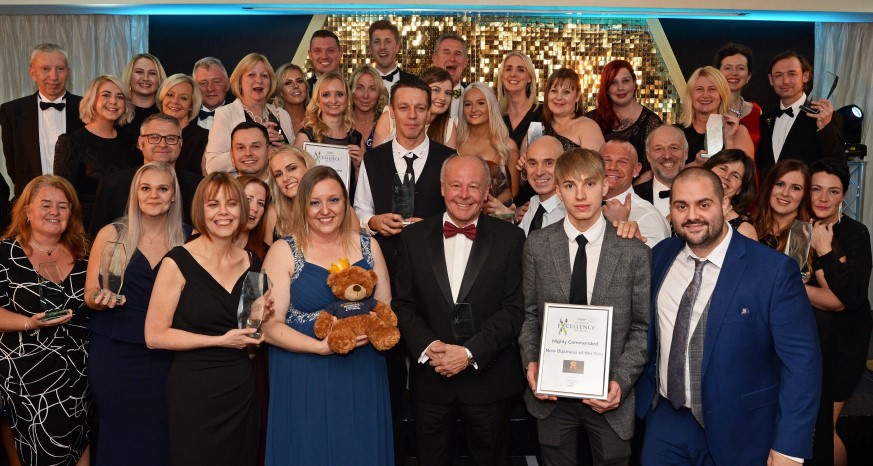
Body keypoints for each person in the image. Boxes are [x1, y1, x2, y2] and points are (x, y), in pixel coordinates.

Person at [636, 167, 821, 465]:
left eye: (703, 204)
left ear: (724, 204)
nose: (692, 215)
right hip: (666, 421)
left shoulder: (772, 271)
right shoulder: (661, 255)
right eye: (681, 206)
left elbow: (802, 364)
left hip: (740, 429)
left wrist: (790, 446)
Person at [519, 148, 650, 466]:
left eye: (589, 184)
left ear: (605, 186)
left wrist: (620, 381)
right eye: (570, 185)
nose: (580, 195)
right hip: (552, 396)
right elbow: (530, 315)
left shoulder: (633, 251)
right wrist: (531, 362)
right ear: (558, 190)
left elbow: (642, 328)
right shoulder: (537, 245)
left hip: (609, 395)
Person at [393, 154, 525, 465]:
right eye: (455, 185)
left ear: (487, 191)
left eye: (473, 186)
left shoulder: (511, 238)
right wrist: (430, 347)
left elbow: (514, 309)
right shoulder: (413, 238)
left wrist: (468, 353)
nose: (464, 195)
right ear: (442, 188)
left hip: (488, 382)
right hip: (431, 379)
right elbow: (402, 303)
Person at [262, 166, 393, 465]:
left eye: (333, 200)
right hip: (303, 372)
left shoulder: (368, 246)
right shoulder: (284, 250)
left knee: (358, 448)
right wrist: (320, 347)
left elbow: (385, 305)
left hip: (362, 369)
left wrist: (371, 326)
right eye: (315, 202)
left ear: (345, 202)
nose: (325, 210)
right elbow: (268, 326)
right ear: (302, 206)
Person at [144, 172, 263, 466]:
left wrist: (258, 318)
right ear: (201, 210)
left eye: (231, 204)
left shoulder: (252, 262)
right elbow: (155, 336)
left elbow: (250, 338)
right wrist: (219, 341)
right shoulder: (176, 261)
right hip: (194, 390)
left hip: (239, 389)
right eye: (213, 204)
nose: (223, 212)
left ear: (242, 210)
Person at [85, 162, 188, 466]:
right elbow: (89, 293)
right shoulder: (111, 234)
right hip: (116, 352)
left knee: (163, 433)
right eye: (146, 188)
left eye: (162, 188)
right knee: (119, 433)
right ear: (135, 194)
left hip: (169, 355)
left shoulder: (190, 237)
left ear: (173, 195)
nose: (153, 195)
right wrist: (99, 300)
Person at [0, 175, 91, 465]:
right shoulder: (4, 254)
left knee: (81, 444)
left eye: (63, 206)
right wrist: (29, 322)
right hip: (28, 378)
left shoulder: (85, 254)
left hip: (80, 373)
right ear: (27, 211)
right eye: (46, 204)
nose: (55, 211)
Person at [807, 159, 873, 466]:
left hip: (846, 343)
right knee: (810, 426)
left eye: (833, 191)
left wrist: (824, 251)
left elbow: (852, 296)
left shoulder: (856, 233)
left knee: (825, 429)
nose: (823, 198)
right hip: (809, 340)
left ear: (844, 194)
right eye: (816, 189)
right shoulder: (798, 228)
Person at [354, 78, 456, 273]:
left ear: (429, 113)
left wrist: (434, 227)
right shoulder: (373, 159)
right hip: (385, 267)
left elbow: (462, 214)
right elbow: (361, 208)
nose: (412, 116)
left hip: (436, 266)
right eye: (403, 108)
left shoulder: (450, 159)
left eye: (420, 108)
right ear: (392, 112)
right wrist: (374, 222)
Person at [89, 113, 202, 236]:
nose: (163, 144)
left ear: (180, 144)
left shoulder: (199, 187)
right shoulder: (112, 185)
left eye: (171, 138)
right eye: (154, 137)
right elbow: (96, 237)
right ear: (141, 142)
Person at [54, 75, 139, 228]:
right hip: (88, 226)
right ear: (92, 100)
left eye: (120, 97)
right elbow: (63, 194)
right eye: (106, 95)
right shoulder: (73, 142)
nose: (113, 101)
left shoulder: (130, 141)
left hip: (127, 225)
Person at [1, 43, 81, 198]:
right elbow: (13, 166)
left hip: (76, 201)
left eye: (60, 69)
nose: (54, 76)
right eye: (45, 69)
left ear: (68, 72)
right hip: (29, 200)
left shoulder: (87, 108)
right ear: (32, 73)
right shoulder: (11, 111)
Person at [757, 51, 844, 178]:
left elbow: (838, 165)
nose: (785, 81)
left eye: (792, 74)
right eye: (778, 75)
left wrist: (825, 127)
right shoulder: (763, 120)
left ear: (805, 76)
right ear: (771, 80)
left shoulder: (825, 117)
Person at [205, 53, 294, 174]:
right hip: (244, 185)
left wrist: (284, 152)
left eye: (264, 76)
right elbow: (212, 166)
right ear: (239, 82)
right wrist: (257, 140)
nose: (259, 80)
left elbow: (293, 157)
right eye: (252, 75)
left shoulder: (282, 114)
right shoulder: (225, 114)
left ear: (270, 82)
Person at [587, 59, 663, 181]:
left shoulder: (651, 122)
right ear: (606, 88)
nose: (620, 88)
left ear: (634, 84)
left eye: (625, 81)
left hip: (638, 190)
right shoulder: (590, 120)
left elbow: (655, 167)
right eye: (613, 83)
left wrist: (631, 190)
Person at [295, 72, 363, 196]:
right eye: (326, 95)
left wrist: (359, 167)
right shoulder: (305, 137)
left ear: (347, 98)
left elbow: (363, 191)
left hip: (348, 205)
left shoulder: (356, 137)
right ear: (317, 99)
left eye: (339, 94)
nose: (333, 100)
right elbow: (297, 182)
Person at [456, 83, 520, 204]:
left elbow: (513, 191)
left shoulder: (507, 146)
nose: (474, 109)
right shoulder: (454, 143)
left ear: (491, 106)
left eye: (480, 103)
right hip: (457, 211)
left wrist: (484, 208)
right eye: (468, 104)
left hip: (493, 213)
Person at [600, 138, 670, 247]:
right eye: (606, 161)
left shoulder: (649, 217)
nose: (612, 167)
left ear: (636, 170)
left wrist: (619, 224)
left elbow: (647, 257)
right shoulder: (579, 207)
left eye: (622, 162)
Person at [678, 66, 754, 164]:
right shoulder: (676, 132)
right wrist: (696, 164)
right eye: (699, 89)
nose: (705, 95)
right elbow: (669, 172)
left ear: (721, 95)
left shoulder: (737, 131)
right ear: (690, 95)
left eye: (712, 89)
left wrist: (729, 141)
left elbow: (744, 171)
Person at [372, 66, 457, 149]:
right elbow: (376, 155)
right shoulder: (390, 116)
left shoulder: (448, 126)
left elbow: (449, 158)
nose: (442, 98)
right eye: (436, 90)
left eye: (448, 93)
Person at [536, 67, 605, 153]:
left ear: (577, 96)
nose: (559, 97)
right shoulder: (537, 127)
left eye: (566, 92)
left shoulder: (588, 127)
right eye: (554, 91)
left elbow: (595, 162)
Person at [752, 159, 811, 251]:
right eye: (780, 184)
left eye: (795, 188)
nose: (785, 193)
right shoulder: (748, 225)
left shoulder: (809, 236)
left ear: (804, 194)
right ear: (769, 186)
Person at [157, 73, 208, 175]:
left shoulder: (204, 138)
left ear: (191, 105)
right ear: (162, 99)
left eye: (183, 98)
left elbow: (208, 180)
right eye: (170, 95)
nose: (175, 101)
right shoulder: (149, 132)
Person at [514, 135, 565, 235]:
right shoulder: (533, 203)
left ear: (563, 165)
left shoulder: (571, 214)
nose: (539, 172)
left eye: (549, 163)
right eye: (533, 163)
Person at [714, 43, 762, 150]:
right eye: (728, 68)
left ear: (748, 76)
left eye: (740, 68)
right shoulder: (710, 110)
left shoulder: (756, 111)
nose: (734, 73)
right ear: (718, 73)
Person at [634, 124, 687, 218]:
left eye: (674, 148)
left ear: (686, 153)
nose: (667, 155)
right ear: (648, 156)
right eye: (658, 149)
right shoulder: (633, 198)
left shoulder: (704, 193)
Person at [263, 146, 314, 244]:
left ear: (308, 167)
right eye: (278, 174)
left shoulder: (333, 208)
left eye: (292, 169)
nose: (285, 178)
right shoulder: (273, 214)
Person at [703, 149, 757, 239]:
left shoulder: (744, 231)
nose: (726, 176)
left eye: (735, 176)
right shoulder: (683, 208)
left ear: (740, 189)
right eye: (722, 168)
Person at [498, 51, 542, 148]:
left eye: (521, 70)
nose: (513, 74)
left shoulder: (540, 113)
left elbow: (533, 149)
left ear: (529, 78)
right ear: (502, 76)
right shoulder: (494, 112)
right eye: (508, 69)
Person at [121, 53, 167, 139]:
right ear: (129, 76)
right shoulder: (117, 110)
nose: (145, 78)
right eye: (139, 72)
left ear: (159, 79)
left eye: (152, 73)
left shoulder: (167, 113)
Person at [369, 20, 416, 91]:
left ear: (397, 47)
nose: (382, 47)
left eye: (388, 41)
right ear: (370, 48)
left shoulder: (415, 83)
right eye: (377, 42)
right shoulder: (358, 83)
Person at [350, 66, 388, 152]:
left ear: (379, 93)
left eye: (372, 89)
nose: (365, 95)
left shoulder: (388, 123)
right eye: (360, 88)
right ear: (351, 90)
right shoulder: (342, 122)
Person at [431, 33, 469, 117]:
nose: (452, 58)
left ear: (465, 62)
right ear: (434, 59)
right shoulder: (418, 94)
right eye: (446, 53)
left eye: (458, 54)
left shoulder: (473, 97)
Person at [192, 57, 232, 130]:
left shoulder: (241, 117)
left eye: (216, 82)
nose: (210, 89)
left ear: (227, 85)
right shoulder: (184, 117)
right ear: (194, 88)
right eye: (203, 83)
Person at [272, 63, 308, 134]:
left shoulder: (318, 118)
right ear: (280, 91)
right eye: (288, 83)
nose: (296, 86)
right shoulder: (273, 122)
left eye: (300, 81)